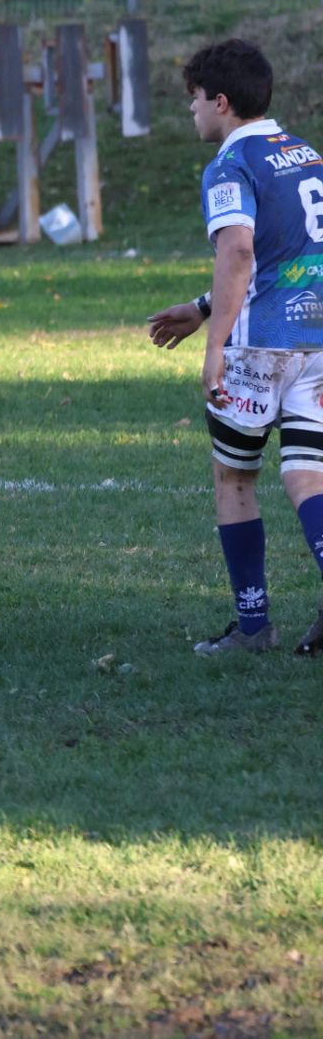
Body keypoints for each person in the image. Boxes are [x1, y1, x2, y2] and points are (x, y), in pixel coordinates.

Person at [145, 38, 323, 656]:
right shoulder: (306, 155)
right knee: (306, 475)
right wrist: (199, 308)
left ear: (220, 102)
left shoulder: (229, 164)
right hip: (317, 338)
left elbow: (240, 250)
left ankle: (253, 627)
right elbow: (286, 251)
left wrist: (215, 343)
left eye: (193, 100)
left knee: (234, 476)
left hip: (257, 350)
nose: (191, 111)